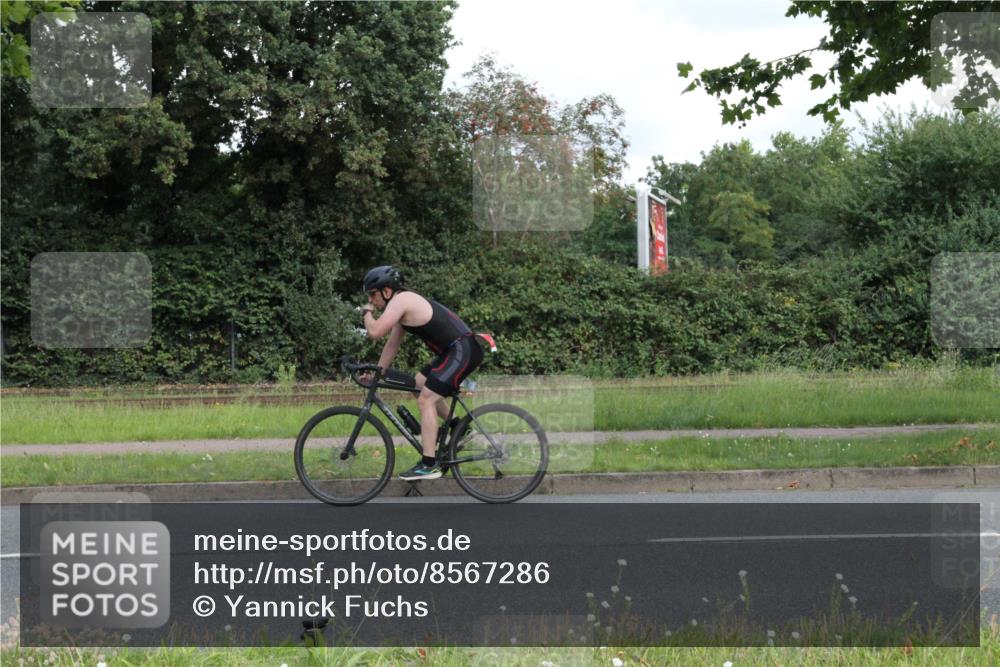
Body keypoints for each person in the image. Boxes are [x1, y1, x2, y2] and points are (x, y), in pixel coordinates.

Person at [359, 265, 484, 480]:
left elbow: (375, 332)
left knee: (426, 400)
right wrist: (378, 374)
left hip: (462, 350)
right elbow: (391, 346)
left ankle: (429, 464)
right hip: (455, 350)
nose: (371, 300)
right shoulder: (400, 305)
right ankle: (459, 427)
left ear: (387, 291)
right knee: (418, 383)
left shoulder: (401, 300)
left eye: (373, 294)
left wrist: (366, 312)